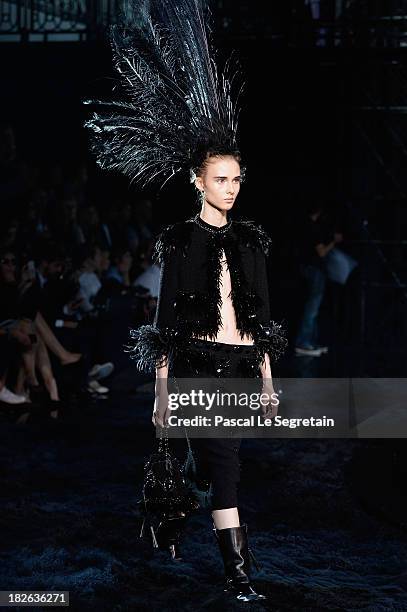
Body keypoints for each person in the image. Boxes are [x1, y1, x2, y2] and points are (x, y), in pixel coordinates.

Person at [84, 0, 287, 602]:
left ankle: (203, 535)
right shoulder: (180, 243)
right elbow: (166, 323)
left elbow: (263, 316)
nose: (232, 187)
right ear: (199, 181)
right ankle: (239, 578)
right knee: (219, 470)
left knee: (218, 467)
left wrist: (269, 381)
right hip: (196, 366)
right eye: (222, 178)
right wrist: (162, 396)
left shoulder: (251, 240)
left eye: (237, 179)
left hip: (238, 368)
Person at [294, 203, 343, 356]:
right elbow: (321, 252)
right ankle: (304, 343)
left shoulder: (305, 226)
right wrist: (334, 242)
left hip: (309, 269)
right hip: (314, 270)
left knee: (313, 307)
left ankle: (309, 342)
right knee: (312, 308)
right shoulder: (312, 228)